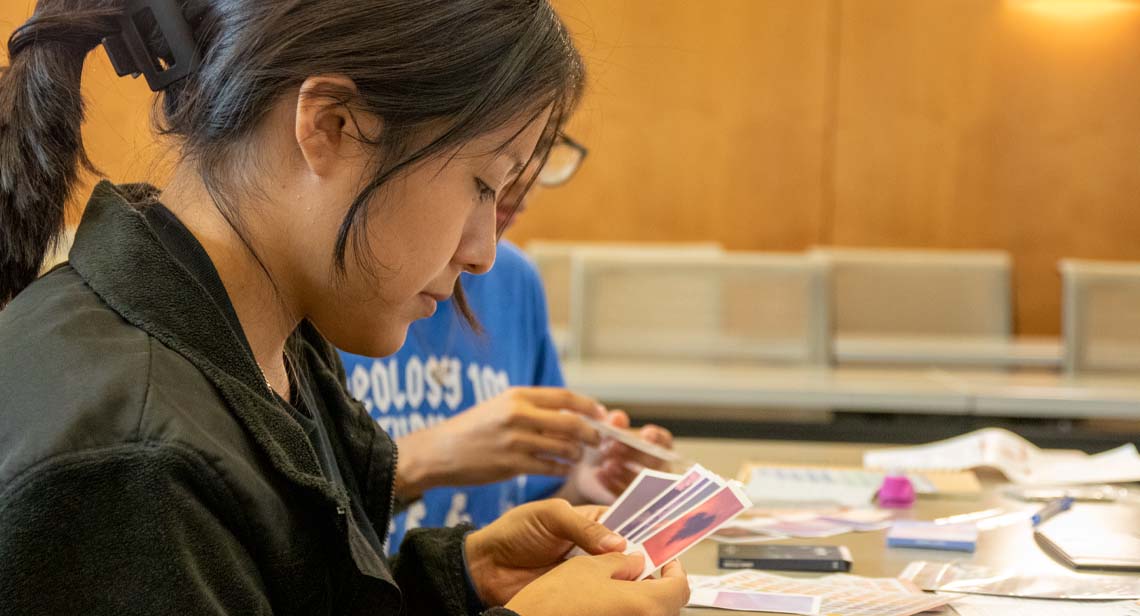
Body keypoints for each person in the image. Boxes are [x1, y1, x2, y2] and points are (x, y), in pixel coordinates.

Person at [0, 1, 690, 614]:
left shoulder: (275, 347)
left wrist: (453, 579)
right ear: (329, 125)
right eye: (484, 183)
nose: (483, 251)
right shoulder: (132, 465)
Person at [340, 133, 676, 553]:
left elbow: (523, 515)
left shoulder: (516, 279)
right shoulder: (328, 294)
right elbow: (286, 527)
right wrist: (420, 459)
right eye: (507, 149)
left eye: (543, 146)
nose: (527, 178)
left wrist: (582, 487)